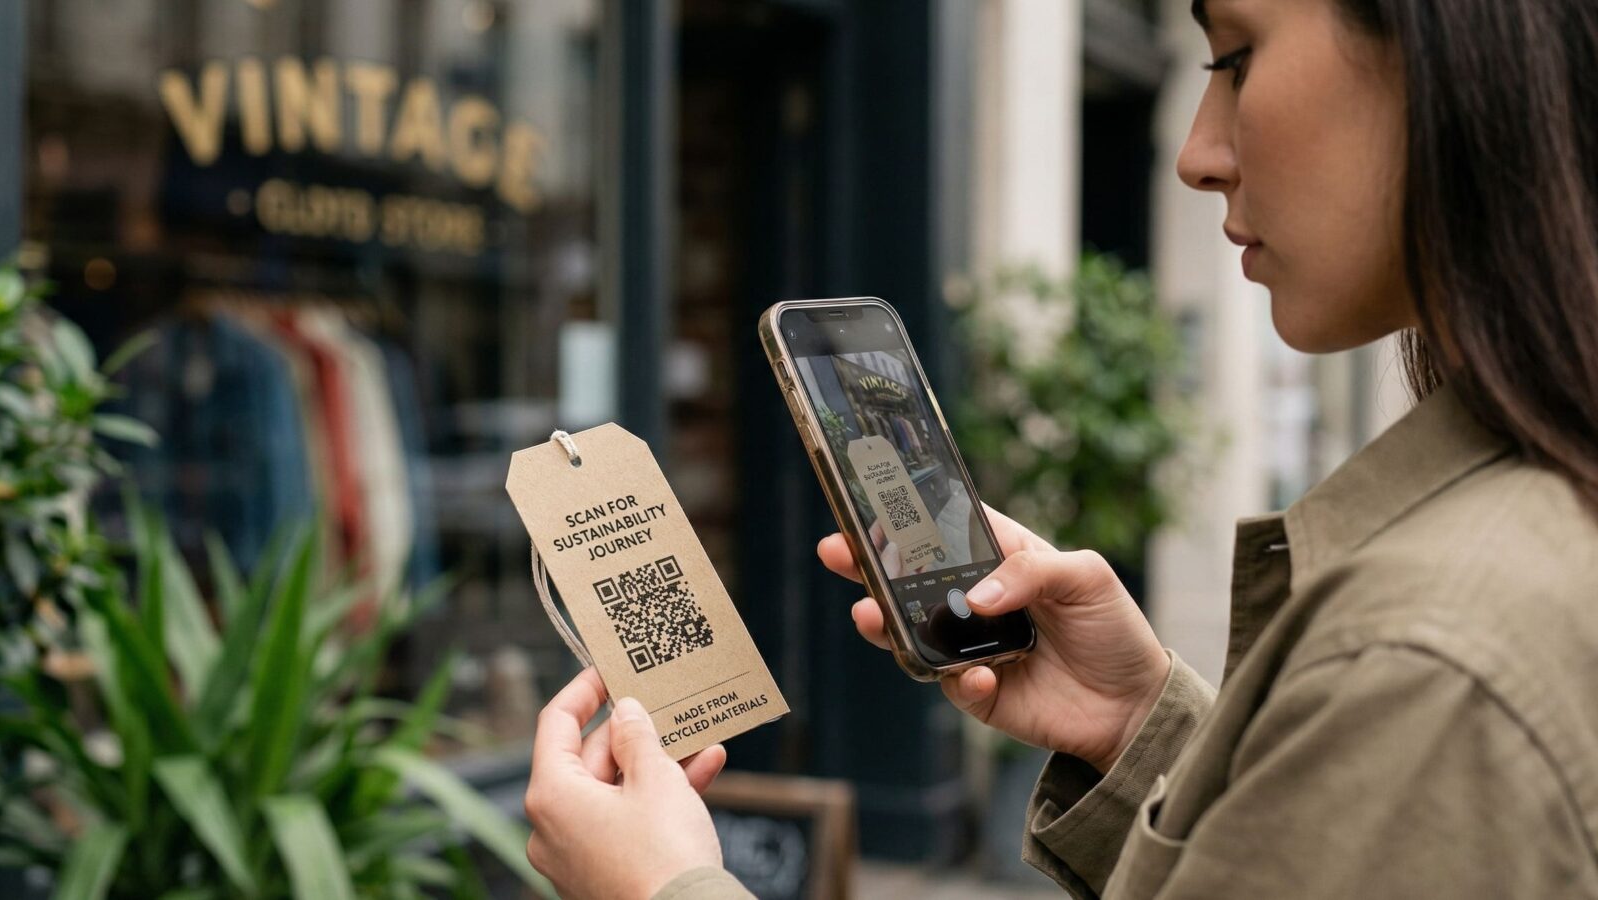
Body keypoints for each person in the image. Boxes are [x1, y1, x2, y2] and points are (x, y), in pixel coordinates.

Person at [522, 0, 1598, 895]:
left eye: (1235, 57)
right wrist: (1144, 730)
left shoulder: (1432, 661)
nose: (1194, 154)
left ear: (1455, 51)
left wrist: (665, 890)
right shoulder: (1511, 561)